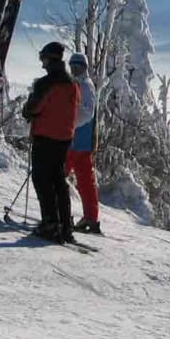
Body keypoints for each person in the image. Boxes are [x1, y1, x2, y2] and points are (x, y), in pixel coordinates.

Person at [23, 41, 80, 243]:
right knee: (58, 179)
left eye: (43, 58)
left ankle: (50, 223)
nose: (42, 63)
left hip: (45, 137)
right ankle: (65, 224)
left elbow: (33, 109)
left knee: (42, 179)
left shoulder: (45, 83)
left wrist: (28, 107)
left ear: (49, 59)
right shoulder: (72, 83)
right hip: (64, 138)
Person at [66, 52, 101, 234]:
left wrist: (68, 123)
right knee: (86, 181)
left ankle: (60, 215)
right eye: (72, 65)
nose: (74, 69)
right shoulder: (82, 84)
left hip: (74, 141)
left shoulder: (85, 86)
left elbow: (86, 113)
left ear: (84, 67)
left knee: (57, 176)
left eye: (77, 66)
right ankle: (90, 217)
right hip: (82, 142)